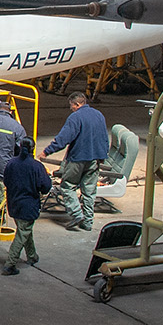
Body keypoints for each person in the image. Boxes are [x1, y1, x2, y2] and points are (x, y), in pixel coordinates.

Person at [42, 91, 108, 230]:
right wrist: (102, 157)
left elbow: (64, 138)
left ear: (77, 104)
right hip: (95, 159)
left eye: (71, 106)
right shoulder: (99, 115)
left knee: (68, 186)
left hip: (78, 159)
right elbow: (104, 137)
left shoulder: (75, 117)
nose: (71, 108)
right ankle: (88, 222)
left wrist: (47, 151)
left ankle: (77, 214)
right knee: (89, 191)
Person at [0, 139, 54, 275]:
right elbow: (46, 187)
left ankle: (32, 256)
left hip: (14, 204)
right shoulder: (36, 166)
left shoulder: (11, 163)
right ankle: (10, 264)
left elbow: (5, 180)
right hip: (28, 205)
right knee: (22, 232)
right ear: (33, 149)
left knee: (24, 229)